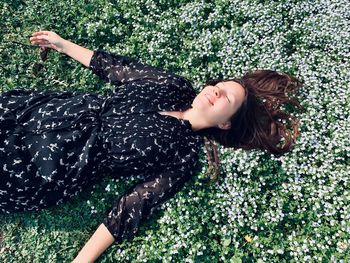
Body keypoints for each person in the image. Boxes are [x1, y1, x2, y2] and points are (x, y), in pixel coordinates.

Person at [0, 31, 303, 262]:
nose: (215, 91)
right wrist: (63, 44)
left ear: (226, 123)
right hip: (46, 110)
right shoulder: (174, 85)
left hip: (53, 165)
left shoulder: (184, 156)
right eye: (219, 86)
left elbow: (131, 207)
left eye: (227, 99)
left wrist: (81, 260)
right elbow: (117, 69)